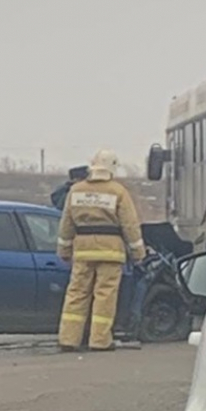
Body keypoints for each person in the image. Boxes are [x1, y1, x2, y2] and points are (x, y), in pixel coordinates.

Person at [56, 150, 146, 352]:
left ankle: (69, 338)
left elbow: (66, 224)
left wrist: (64, 250)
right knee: (105, 296)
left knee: (77, 293)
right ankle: (100, 340)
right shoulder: (118, 192)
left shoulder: (76, 190)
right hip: (110, 252)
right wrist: (138, 253)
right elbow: (130, 225)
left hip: (82, 250)